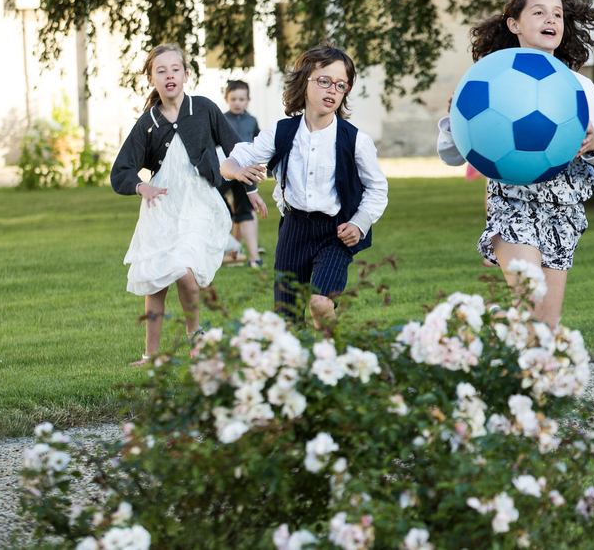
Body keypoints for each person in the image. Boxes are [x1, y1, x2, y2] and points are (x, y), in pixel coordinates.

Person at [436, 0, 594, 323]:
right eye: (538, 12)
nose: (550, 20)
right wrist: (456, 120)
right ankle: (502, 321)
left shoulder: (578, 86)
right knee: (531, 306)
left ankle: (495, 323)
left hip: (563, 211)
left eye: (557, 14)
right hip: (513, 206)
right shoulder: (488, 78)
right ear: (515, 24)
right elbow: (452, 156)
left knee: (544, 329)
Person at [221, 42, 389, 329]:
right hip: (294, 230)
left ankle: (333, 366)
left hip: (335, 233)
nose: (332, 90)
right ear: (304, 82)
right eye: (324, 81)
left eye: (341, 85)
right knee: (287, 319)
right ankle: (295, 369)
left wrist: (360, 222)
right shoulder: (282, 132)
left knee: (320, 303)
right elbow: (233, 159)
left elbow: (377, 189)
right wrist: (237, 171)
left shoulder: (355, 140)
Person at [111, 43, 242, 364]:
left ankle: (194, 333)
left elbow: (236, 148)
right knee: (156, 280)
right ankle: (151, 356)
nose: (169, 75)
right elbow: (121, 171)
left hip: (199, 202)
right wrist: (141, 187)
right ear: (151, 79)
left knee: (184, 270)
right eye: (161, 70)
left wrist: (248, 186)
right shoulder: (148, 123)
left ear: (186, 74)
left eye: (175, 69)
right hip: (162, 207)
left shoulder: (205, 109)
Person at [218, 80, 264, 267]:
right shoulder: (221, 118)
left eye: (241, 99)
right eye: (233, 99)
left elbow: (258, 143)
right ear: (227, 99)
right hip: (225, 170)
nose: (237, 102)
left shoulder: (251, 121)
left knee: (245, 210)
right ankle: (229, 250)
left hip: (246, 173)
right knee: (221, 209)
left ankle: (254, 257)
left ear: (248, 100)